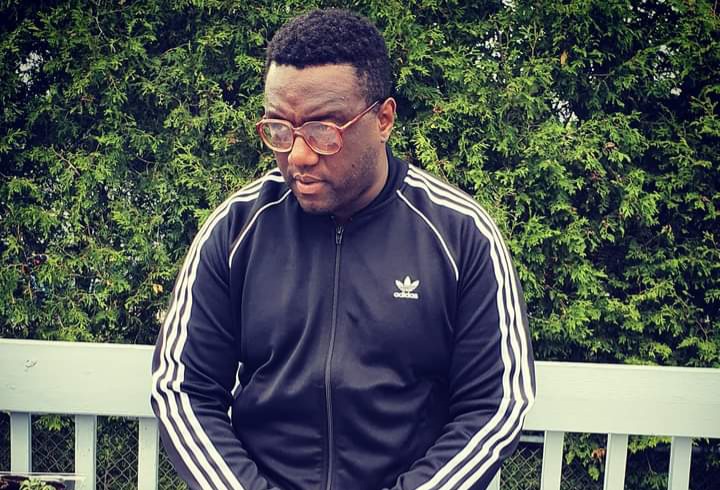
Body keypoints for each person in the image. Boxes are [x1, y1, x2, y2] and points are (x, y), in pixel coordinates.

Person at [151, 8, 536, 490]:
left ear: (383, 119)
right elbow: (182, 390)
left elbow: (495, 405)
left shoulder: (460, 234)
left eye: (323, 130)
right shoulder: (237, 229)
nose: (298, 155)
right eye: (279, 128)